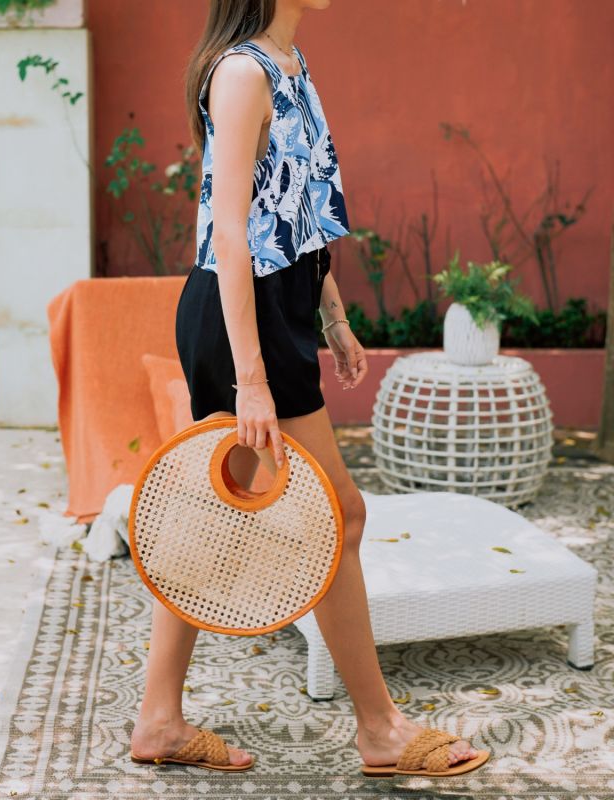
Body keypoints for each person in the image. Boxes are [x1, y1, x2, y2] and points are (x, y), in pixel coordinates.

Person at [130, 0, 490, 778]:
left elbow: (296, 209)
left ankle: (159, 718)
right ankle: (381, 730)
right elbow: (230, 232)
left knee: (213, 516)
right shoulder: (241, 74)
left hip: (279, 305)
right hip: (239, 314)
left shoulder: (290, 65)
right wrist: (252, 376)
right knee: (337, 514)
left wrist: (331, 315)